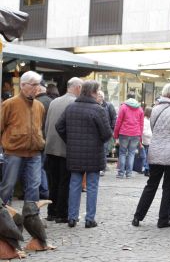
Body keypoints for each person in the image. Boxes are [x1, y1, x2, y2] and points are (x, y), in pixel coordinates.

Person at [55, 81, 112, 229]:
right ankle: (89, 219)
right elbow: (107, 134)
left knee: (74, 185)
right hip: (94, 153)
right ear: (93, 92)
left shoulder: (71, 107)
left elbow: (59, 126)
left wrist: (70, 141)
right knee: (92, 186)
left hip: (74, 153)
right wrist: (98, 140)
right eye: (97, 91)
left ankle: (72, 218)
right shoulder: (98, 110)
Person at [132, 83, 170, 229]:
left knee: (151, 184)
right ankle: (163, 219)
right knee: (169, 187)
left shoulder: (154, 109)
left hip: (155, 151)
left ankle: (137, 216)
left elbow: (154, 129)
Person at [0, 70, 45, 204]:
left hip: (34, 152)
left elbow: (40, 127)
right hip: (14, 151)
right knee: (8, 185)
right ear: (22, 85)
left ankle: (31, 213)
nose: (37, 88)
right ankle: (3, 211)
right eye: (33, 84)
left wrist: (41, 141)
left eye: (38, 84)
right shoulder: (9, 104)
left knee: (34, 185)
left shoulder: (39, 106)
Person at [44, 77, 83, 222]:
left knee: (53, 182)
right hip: (65, 149)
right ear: (78, 87)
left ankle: (51, 212)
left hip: (50, 147)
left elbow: (47, 125)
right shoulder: (75, 103)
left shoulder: (54, 101)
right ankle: (61, 213)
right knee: (64, 182)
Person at [114, 91, 143, 178]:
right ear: (135, 98)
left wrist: (116, 135)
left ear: (127, 97)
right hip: (136, 134)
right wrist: (140, 138)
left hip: (124, 133)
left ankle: (121, 173)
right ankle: (129, 173)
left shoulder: (123, 107)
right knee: (131, 153)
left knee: (122, 153)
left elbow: (118, 121)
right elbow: (141, 124)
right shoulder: (140, 108)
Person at [96, 91, 117, 174]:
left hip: (105, 131)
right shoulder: (94, 105)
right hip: (95, 132)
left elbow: (114, 118)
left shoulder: (109, 105)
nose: (99, 97)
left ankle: (102, 168)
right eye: (97, 95)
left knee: (104, 150)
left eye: (100, 96)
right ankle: (99, 166)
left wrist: (111, 130)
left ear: (103, 97)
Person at [141, 106, 152, 175]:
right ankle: (145, 169)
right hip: (145, 141)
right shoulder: (145, 121)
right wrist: (152, 135)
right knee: (145, 156)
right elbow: (144, 132)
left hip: (148, 141)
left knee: (147, 156)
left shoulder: (149, 120)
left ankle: (146, 169)